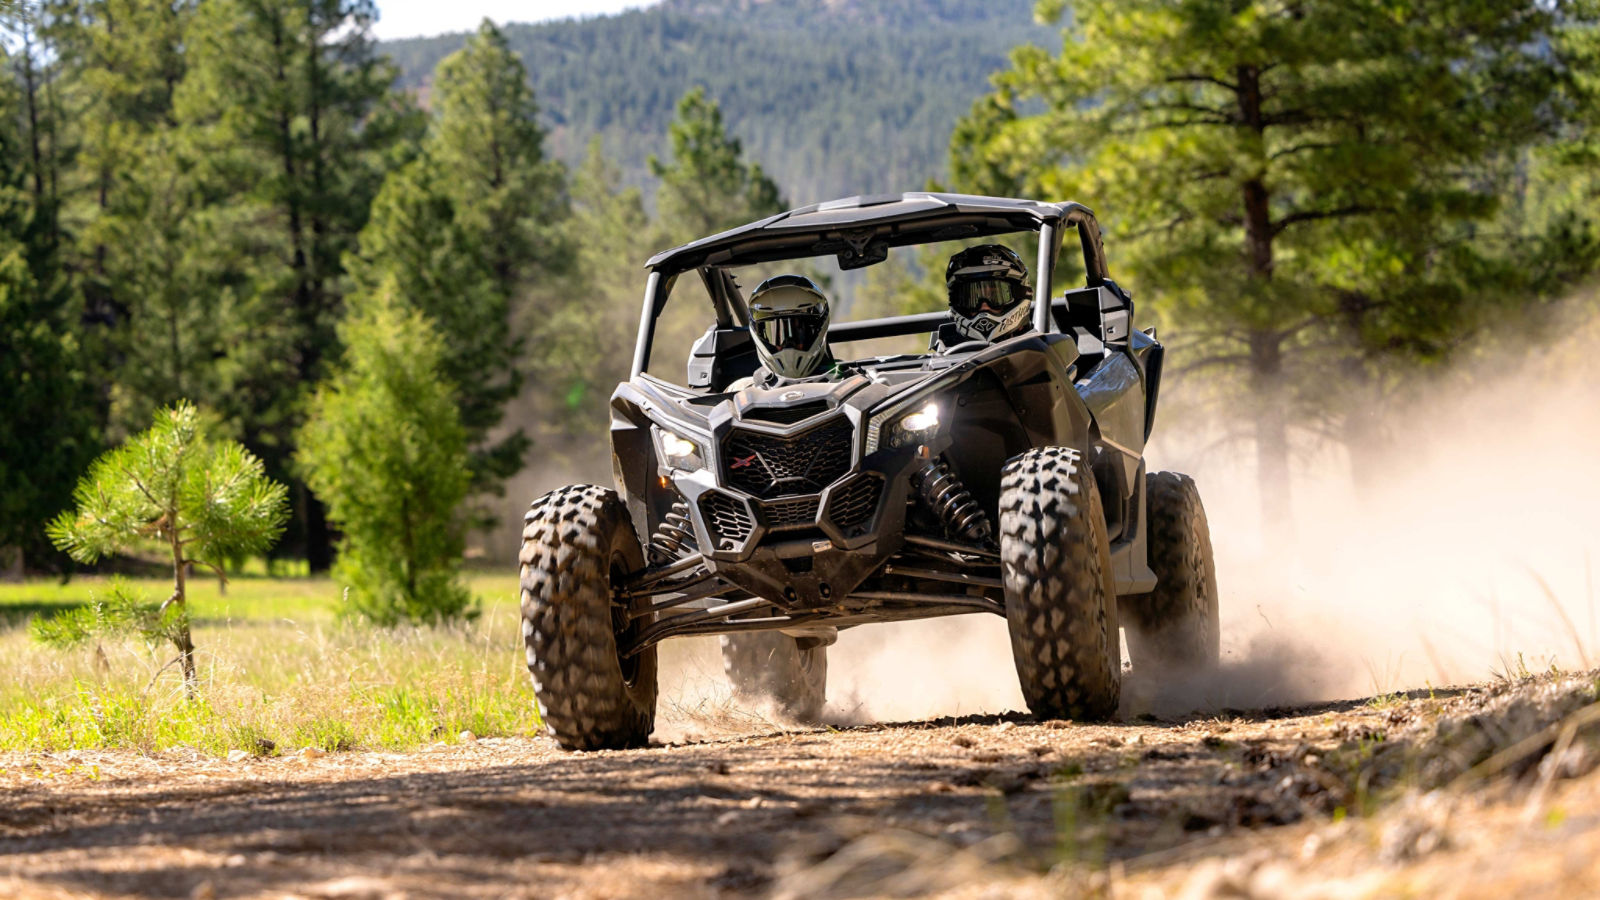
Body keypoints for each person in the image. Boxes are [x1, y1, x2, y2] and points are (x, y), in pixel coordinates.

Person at [732, 274, 840, 390]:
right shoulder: (741, 389)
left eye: (798, 332)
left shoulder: (846, 381)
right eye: (778, 335)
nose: (789, 345)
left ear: (819, 329)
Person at [933, 244, 1035, 352]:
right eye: (972, 298)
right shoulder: (945, 352)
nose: (984, 306)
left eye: (995, 296)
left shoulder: (1040, 347)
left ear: (1020, 294)